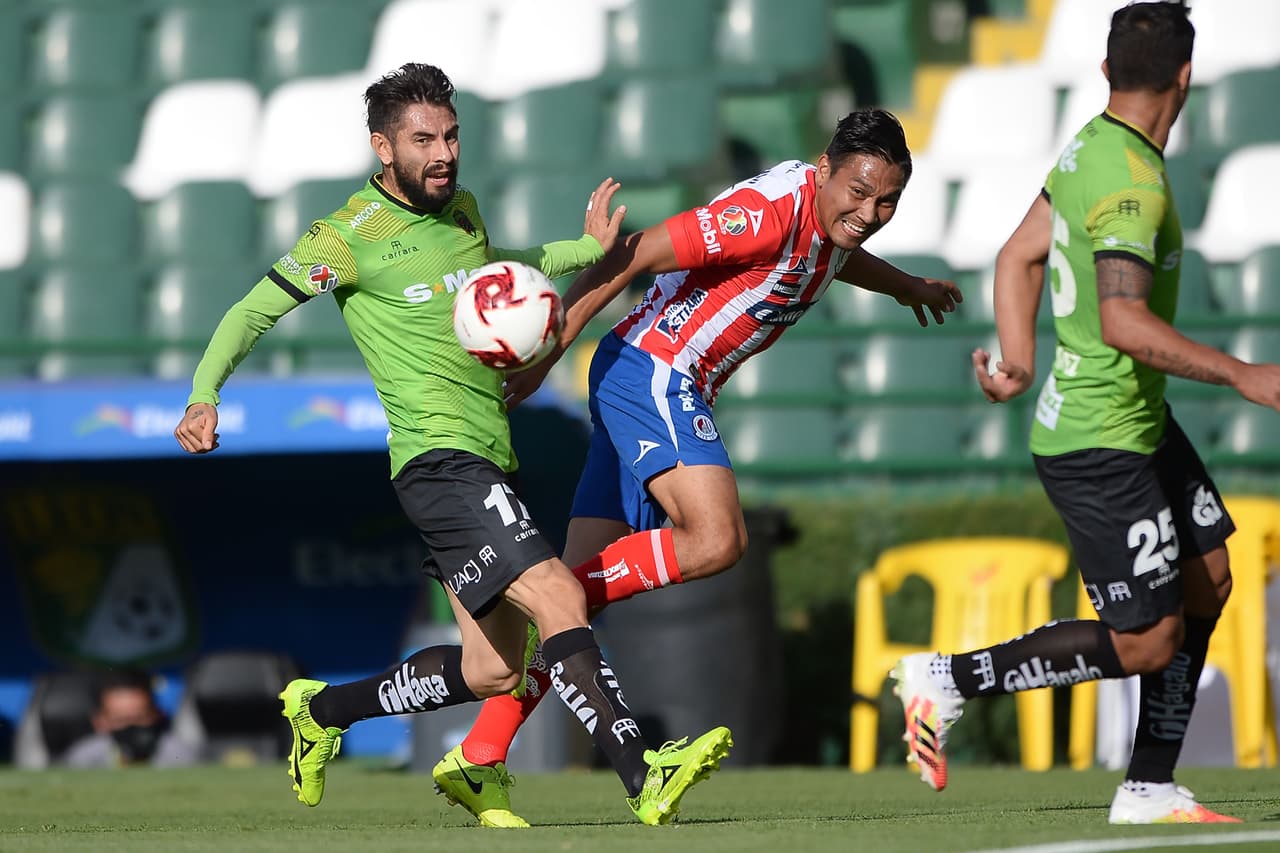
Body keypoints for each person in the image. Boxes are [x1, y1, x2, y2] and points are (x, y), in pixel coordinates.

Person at [172, 62, 732, 828]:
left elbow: (500, 274)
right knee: (561, 596)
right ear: (382, 147)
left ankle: (324, 711)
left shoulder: (461, 209)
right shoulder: (347, 236)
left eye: (451, 134)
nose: (443, 152)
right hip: (439, 461)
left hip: (487, 454)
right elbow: (250, 312)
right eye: (422, 138)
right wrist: (205, 393)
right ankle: (643, 771)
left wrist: (580, 248)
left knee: (494, 668)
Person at [431, 108, 963, 826]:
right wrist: (553, 343)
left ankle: (481, 752)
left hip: (648, 377)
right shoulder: (767, 215)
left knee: (572, 614)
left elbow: (838, 253)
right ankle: (554, 593)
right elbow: (638, 252)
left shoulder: (830, 220)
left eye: (887, 202)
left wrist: (906, 286)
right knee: (716, 538)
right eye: (859, 192)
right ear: (825, 166)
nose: (868, 213)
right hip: (655, 371)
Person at [891, 0, 1280, 824]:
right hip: (1098, 441)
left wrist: (1018, 358)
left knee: (1209, 577)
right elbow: (1123, 323)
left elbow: (1017, 254)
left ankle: (1148, 785)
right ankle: (944, 681)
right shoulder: (1131, 184)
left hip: (1134, 419)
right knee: (1146, 640)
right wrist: (1245, 374)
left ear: (1106, 73)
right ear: (1186, 77)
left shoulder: (1092, 145)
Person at [62, 669, 196, 769]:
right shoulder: (84, 758)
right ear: (100, 721)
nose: (131, 727)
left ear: (157, 714)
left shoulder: (179, 754)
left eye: (140, 718)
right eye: (121, 720)